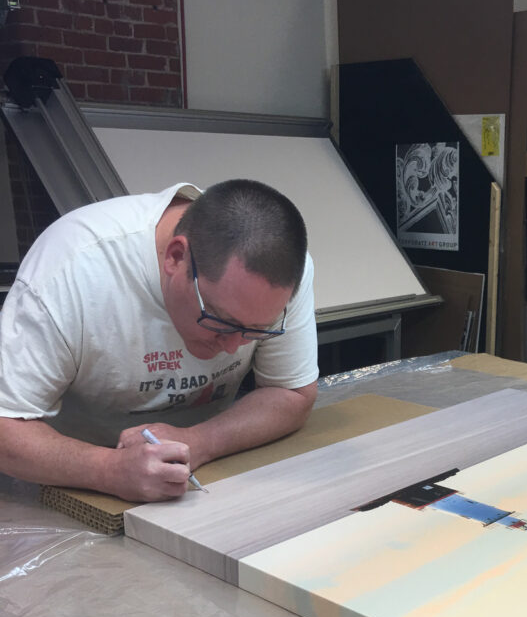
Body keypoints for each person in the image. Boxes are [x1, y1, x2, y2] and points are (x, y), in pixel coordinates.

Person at [0, 179, 318, 502]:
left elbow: (292, 392)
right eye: (221, 322)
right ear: (176, 257)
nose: (233, 346)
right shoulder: (71, 269)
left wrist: (200, 441)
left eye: (257, 330)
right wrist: (107, 469)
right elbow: (5, 424)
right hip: (64, 484)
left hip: (200, 477)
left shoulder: (281, 275)